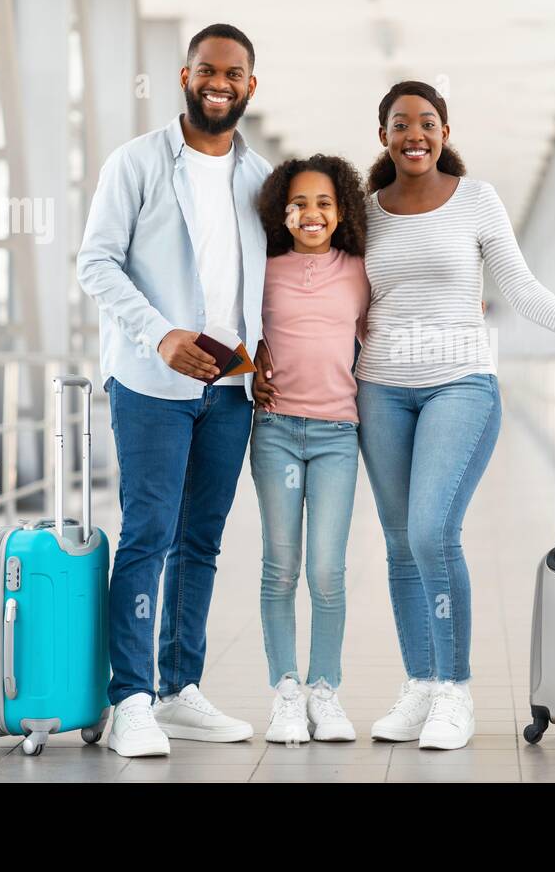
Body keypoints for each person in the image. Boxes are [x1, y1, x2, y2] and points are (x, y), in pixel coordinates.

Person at [353, 81, 555, 750]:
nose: (414, 133)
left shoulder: (476, 200)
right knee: (398, 543)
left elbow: (521, 287)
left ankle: (454, 691)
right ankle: (420, 684)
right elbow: (336, 295)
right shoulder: (366, 213)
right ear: (384, 136)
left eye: (427, 122)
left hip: (461, 385)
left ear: (445, 133)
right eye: (400, 124)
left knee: (430, 531)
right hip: (380, 388)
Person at [76, 23, 268, 757]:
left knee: (201, 541)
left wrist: (267, 352)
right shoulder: (136, 163)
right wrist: (160, 333)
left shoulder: (260, 177)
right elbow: (96, 263)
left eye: (234, 73)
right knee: (149, 532)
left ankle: (180, 687)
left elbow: (270, 279)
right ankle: (131, 697)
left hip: (229, 390)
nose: (219, 82)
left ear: (251, 86)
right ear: (184, 76)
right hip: (152, 381)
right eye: (206, 70)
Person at [248, 155, 370, 744]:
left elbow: (385, 331)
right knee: (280, 567)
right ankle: (287, 692)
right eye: (298, 203)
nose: (312, 213)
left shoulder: (359, 271)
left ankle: (325, 690)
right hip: (275, 432)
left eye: (324, 202)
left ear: (341, 210)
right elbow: (235, 327)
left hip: (337, 437)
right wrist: (250, 369)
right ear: (281, 212)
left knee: (326, 569)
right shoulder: (263, 270)